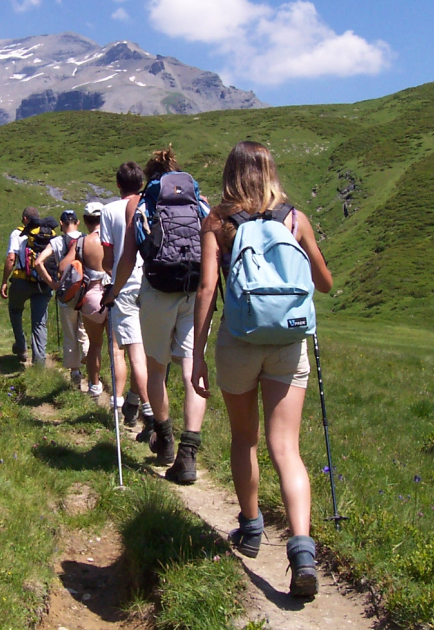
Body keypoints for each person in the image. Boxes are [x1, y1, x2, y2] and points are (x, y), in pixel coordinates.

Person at [191, 140, 333, 598]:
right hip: (288, 342)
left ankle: (251, 529)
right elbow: (324, 283)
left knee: (244, 438)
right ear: (271, 170)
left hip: (239, 340)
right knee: (286, 447)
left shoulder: (217, 221)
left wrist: (196, 353)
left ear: (231, 172)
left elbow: (207, 290)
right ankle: (302, 551)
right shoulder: (295, 218)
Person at [103, 146, 207, 484]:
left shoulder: (144, 202)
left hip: (158, 289)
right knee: (193, 369)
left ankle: (164, 440)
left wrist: (114, 291)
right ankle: (189, 455)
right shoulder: (197, 200)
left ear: (149, 175)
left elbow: (129, 260)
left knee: (156, 369)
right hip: (194, 291)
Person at [100, 162, 154, 440]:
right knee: (150, 353)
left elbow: (108, 259)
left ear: (118, 184)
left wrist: (112, 278)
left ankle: (147, 411)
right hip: (155, 283)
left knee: (129, 350)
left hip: (125, 285)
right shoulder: (151, 203)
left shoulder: (109, 211)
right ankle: (140, 403)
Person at [34, 210, 89, 388]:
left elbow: (38, 262)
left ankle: (75, 373)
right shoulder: (86, 239)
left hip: (66, 295)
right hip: (86, 292)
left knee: (70, 335)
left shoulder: (56, 241)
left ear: (61, 223)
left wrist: (53, 284)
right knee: (85, 332)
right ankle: (91, 364)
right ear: (77, 222)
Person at [59, 202, 108, 399]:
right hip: (115, 295)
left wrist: (78, 264)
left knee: (95, 344)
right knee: (117, 351)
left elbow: (63, 267)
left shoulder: (81, 243)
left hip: (92, 298)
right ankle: (121, 398)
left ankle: (95, 387)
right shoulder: (113, 239)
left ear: (85, 221)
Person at [0, 206, 53, 366]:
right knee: (39, 322)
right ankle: (40, 362)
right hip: (43, 282)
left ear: (24, 219)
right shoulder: (46, 234)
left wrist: (4, 281)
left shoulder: (17, 233)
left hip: (22, 280)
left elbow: (11, 259)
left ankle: (21, 347)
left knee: (15, 310)